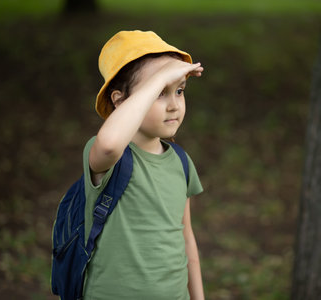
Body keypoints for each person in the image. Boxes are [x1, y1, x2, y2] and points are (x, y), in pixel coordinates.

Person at [82, 30, 205, 299]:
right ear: (120, 101)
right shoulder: (106, 154)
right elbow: (111, 144)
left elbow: (186, 239)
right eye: (159, 93)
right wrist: (161, 76)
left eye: (180, 91)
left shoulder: (181, 162)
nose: (174, 105)